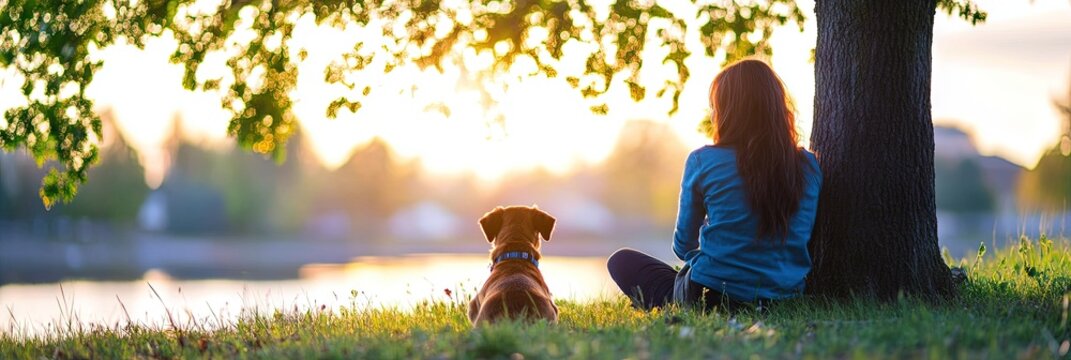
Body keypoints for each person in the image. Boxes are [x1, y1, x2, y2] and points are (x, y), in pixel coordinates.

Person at [606, 59, 822, 312]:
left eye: (715, 106)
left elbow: (682, 246)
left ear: (727, 111)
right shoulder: (809, 166)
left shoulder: (703, 160)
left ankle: (669, 304)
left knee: (621, 261)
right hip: (783, 298)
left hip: (712, 296)